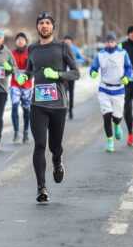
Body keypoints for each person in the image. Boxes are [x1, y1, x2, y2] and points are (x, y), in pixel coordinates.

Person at [16, 12, 79, 203]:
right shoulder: (32, 48)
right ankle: (41, 188)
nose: (44, 26)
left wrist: (58, 74)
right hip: (38, 104)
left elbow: (76, 73)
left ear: (53, 26)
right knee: (40, 144)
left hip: (58, 104)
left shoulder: (62, 47)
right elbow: (29, 68)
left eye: (48, 23)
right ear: (37, 27)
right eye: (41, 23)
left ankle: (57, 160)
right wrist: (25, 76)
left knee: (55, 146)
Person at [91, 32, 133, 152]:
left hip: (119, 89)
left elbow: (129, 66)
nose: (110, 44)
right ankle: (110, 142)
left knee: (117, 116)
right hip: (104, 89)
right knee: (106, 115)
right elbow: (94, 67)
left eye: (112, 42)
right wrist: (93, 73)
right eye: (108, 42)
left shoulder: (122, 53)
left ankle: (117, 124)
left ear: (115, 42)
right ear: (105, 42)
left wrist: (127, 76)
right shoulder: (101, 55)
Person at [10, 32, 32, 144]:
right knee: (14, 105)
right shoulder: (11, 53)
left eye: (22, 39)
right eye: (18, 39)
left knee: (26, 109)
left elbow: (33, 69)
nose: (20, 41)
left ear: (26, 42)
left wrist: (30, 65)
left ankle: (26, 131)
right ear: (15, 42)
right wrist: (9, 68)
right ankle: (16, 130)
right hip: (15, 84)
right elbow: (8, 67)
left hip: (27, 85)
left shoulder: (30, 53)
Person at [63, 35, 85, 119]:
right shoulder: (62, 48)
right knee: (64, 92)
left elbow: (81, 59)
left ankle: (71, 110)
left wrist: (75, 62)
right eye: (66, 40)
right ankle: (65, 108)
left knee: (71, 93)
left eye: (69, 40)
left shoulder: (75, 49)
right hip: (64, 74)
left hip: (72, 74)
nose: (67, 41)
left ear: (71, 41)